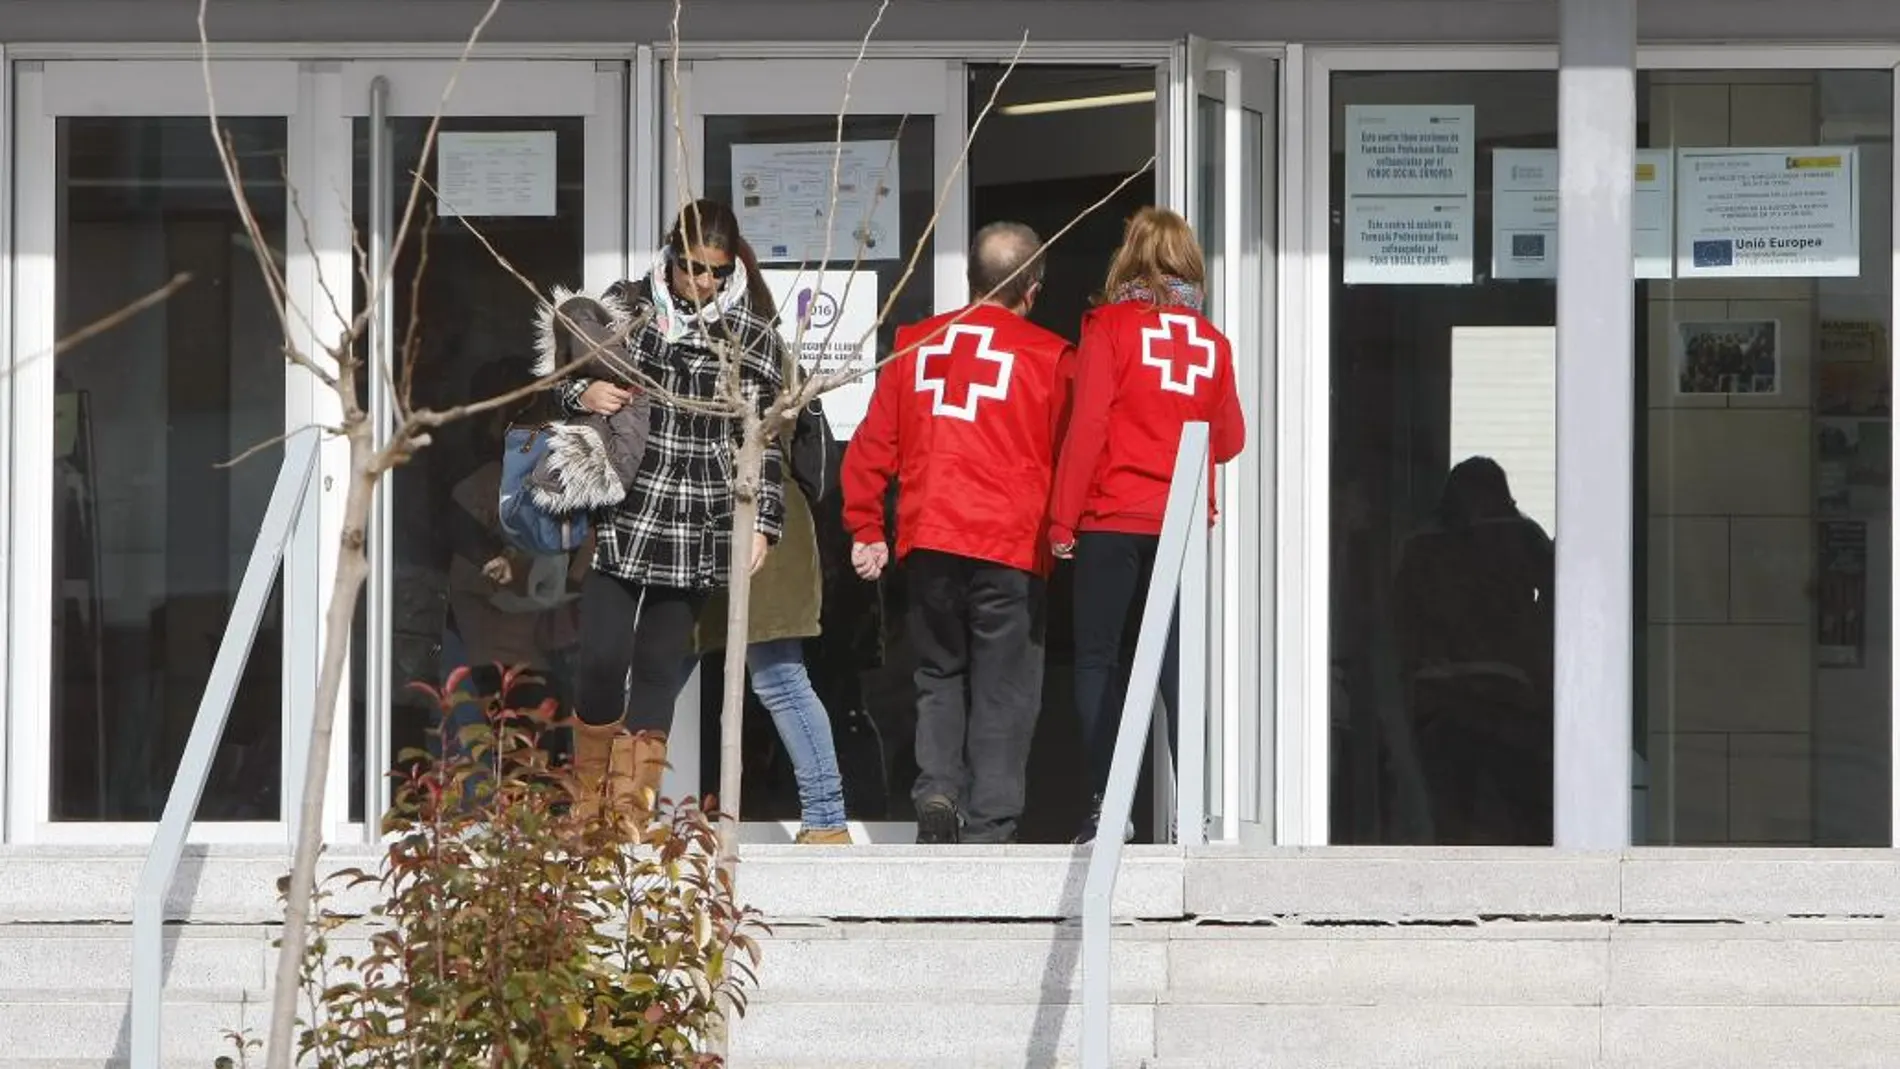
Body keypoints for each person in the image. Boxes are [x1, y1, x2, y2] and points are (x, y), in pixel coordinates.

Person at [842, 221, 1075, 845]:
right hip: (1011, 546)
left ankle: (937, 790)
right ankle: (990, 826)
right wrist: (1069, 527)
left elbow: (870, 446)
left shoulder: (915, 344)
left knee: (938, 674)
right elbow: (1072, 457)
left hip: (931, 539)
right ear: (1031, 289)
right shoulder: (1051, 358)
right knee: (1005, 688)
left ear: (973, 278)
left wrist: (867, 524)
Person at [555, 198, 787, 824]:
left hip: (700, 513)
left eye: (715, 269)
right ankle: (586, 803)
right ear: (669, 254)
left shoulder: (753, 332)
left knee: (660, 665)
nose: (703, 281)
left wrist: (763, 519)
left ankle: (629, 815)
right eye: (690, 267)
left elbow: (761, 437)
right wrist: (584, 390)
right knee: (602, 658)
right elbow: (564, 373)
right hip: (626, 504)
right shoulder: (625, 307)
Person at [1048, 206, 1245, 844]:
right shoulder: (1211, 343)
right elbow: (1231, 440)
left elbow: (1089, 427)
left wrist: (1062, 517)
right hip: (1180, 523)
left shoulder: (1108, 326)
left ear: (1129, 258)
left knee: (1098, 661)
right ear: (1190, 264)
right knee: (1176, 668)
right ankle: (1197, 811)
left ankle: (1112, 805)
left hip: (1110, 515)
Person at [1393, 456, 1553, 845]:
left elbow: (1400, 623)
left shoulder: (1419, 544)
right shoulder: (1524, 536)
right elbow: (1560, 606)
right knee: (1520, 815)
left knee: (1450, 816)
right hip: (1509, 690)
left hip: (1436, 697)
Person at [690, 477, 853, 845]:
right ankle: (627, 816)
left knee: (778, 677)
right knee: (661, 671)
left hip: (758, 526)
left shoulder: (767, 448)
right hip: (716, 522)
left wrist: (763, 525)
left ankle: (826, 820)